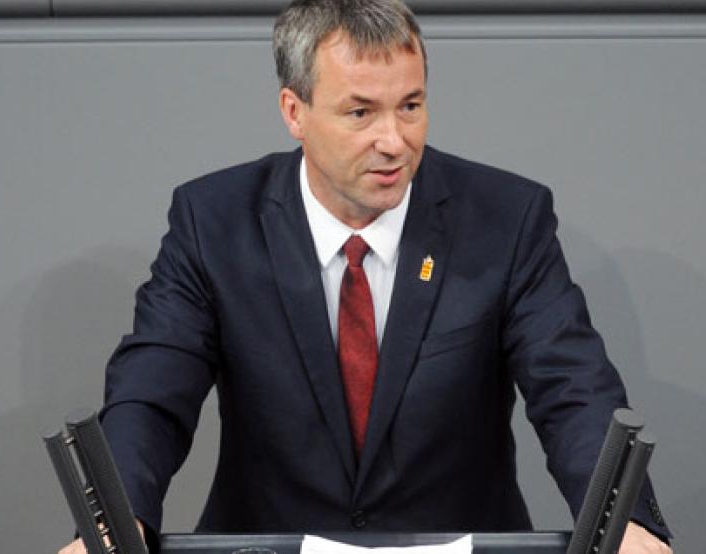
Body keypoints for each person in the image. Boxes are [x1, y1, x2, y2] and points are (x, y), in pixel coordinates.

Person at [60, 1, 672, 553]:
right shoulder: (214, 222)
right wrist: (117, 523)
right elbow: (151, 393)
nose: (395, 141)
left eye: (411, 106)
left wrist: (624, 527)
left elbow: (574, 392)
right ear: (294, 112)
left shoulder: (506, 219)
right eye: (361, 112)